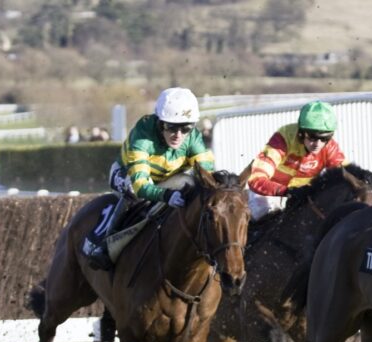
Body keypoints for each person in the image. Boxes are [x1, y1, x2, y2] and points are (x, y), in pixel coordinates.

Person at [82, 87, 215, 270]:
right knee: (133, 192)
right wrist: (166, 196)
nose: (178, 135)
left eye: (186, 128)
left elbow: (208, 175)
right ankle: (104, 244)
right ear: (160, 123)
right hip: (129, 177)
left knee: (192, 183)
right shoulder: (143, 135)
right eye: (171, 127)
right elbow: (141, 186)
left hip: (168, 178)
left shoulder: (193, 138)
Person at [246, 100, 347, 219]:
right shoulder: (283, 139)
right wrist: (287, 191)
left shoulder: (330, 147)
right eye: (313, 137)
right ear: (301, 133)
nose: (318, 144)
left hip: (303, 197)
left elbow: (347, 176)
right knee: (261, 210)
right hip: (271, 195)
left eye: (325, 138)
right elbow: (256, 179)